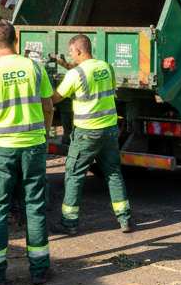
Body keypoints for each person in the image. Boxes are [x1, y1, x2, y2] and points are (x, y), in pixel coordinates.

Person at [0, 20, 55, 285]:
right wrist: (43, 136)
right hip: (34, 147)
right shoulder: (35, 68)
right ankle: (39, 270)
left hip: (1, 150)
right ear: (16, 39)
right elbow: (49, 107)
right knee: (35, 207)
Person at [50, 34, 133, 235]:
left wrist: (42, 85)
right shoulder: (106, 67)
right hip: (110, 130)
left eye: (71, 53)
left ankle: (69, 223)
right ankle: (125, 220)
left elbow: (56, 97)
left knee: (74, 174)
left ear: (78, 50)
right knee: (113, 173)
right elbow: (95, 80)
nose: (71, 57)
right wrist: (66, 65)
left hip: (87, 133)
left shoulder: (75, 75)